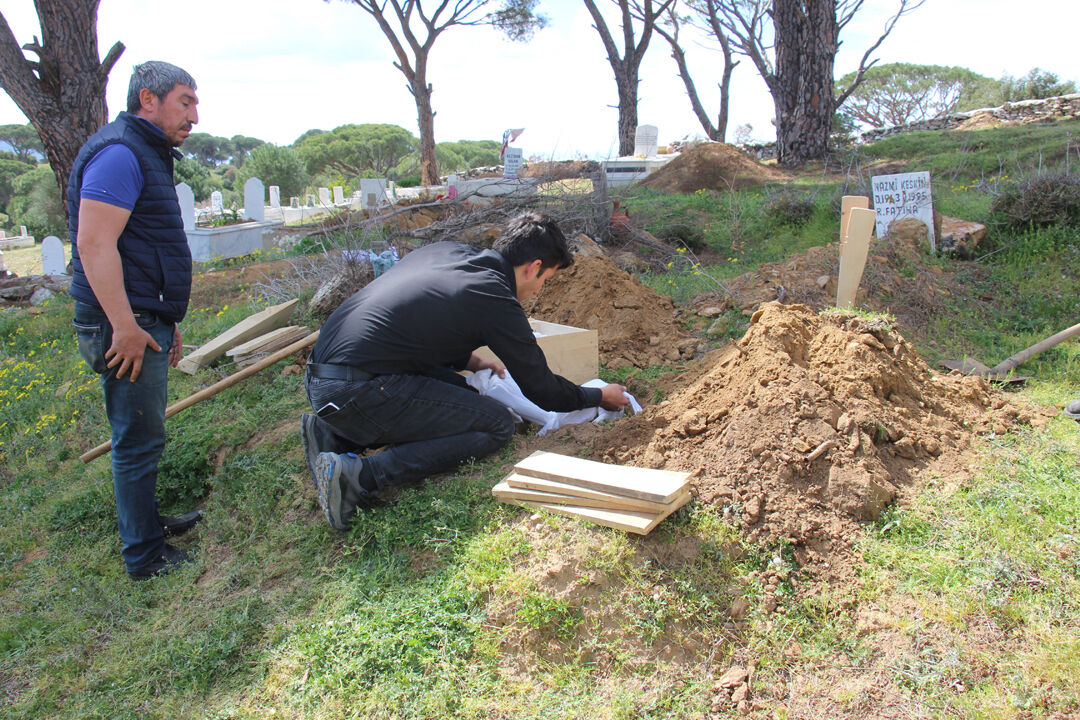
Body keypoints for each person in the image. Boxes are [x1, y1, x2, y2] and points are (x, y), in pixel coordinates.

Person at [302, 211, 628, 530]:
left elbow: (417, 321)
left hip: (323, 376)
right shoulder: (496, 298)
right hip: (355, 391)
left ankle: (335, 435)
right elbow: (543, 390)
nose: (540, 290)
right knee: (496, 424)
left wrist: (470, 361)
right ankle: (360, 476)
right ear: (534, 268)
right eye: (546, 280)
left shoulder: (449, 253)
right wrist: (600, 395)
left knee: (464, 396)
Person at [68, 61, 203, 580]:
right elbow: (93, 243)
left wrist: (162, 316)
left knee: (143, 433)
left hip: (141, 314)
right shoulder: (121, 153)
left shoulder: (143, 151)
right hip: (120, 323)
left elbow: (139, 245)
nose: (195, 114)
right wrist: (126, 325)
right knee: (137, 438)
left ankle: (145, 524)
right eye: (185, 101)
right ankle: (143, 556)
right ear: (148, 99)